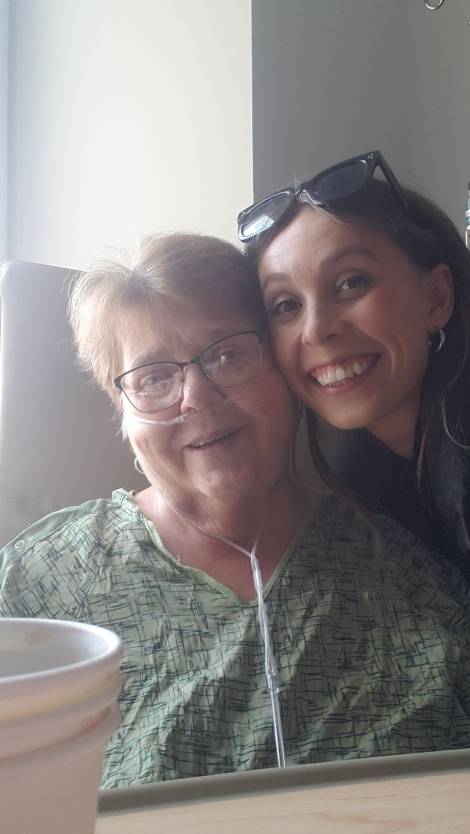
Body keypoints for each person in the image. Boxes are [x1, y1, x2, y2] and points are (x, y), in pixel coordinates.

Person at [2, 232, 470, 790]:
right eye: (154, 378)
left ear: (285, 370)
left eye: (227, 354)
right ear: (121, 412)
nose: (196, 396)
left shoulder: (409, 572)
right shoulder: (38, 587)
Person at [239, 150, 470, 582]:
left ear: (436, 298)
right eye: (285, 305)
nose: (316, 329)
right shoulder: (364, 478)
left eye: (351, 282)